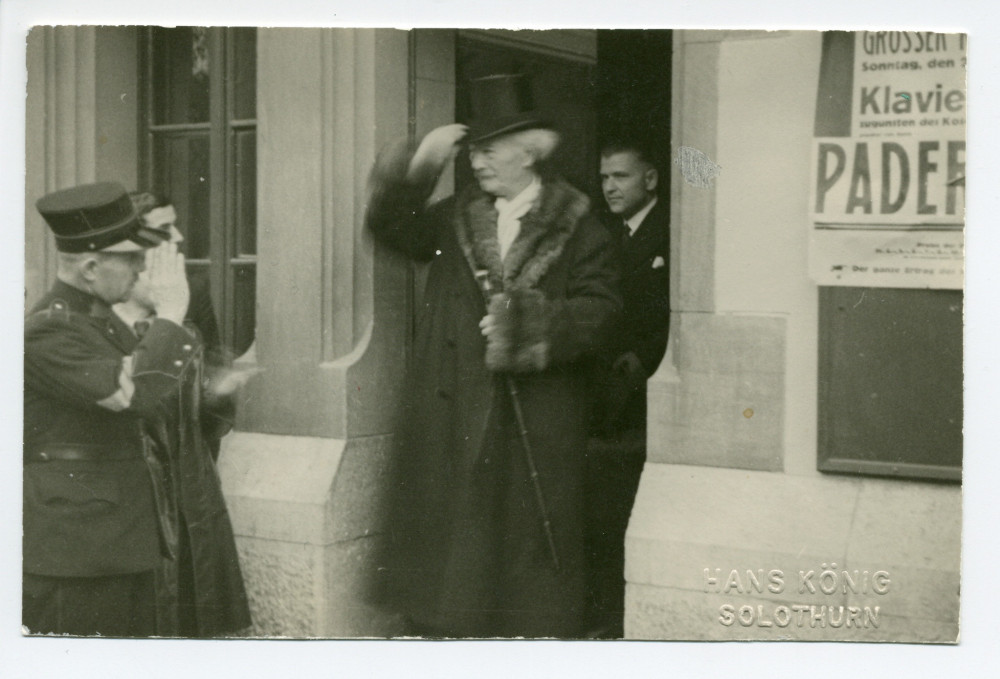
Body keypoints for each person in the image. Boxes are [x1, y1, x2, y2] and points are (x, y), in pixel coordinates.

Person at [365, 74, 622, 638]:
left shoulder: (579, 222)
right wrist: (422, 164)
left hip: (535, 413)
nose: (477, 161)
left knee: (525, 548)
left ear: (528, 153)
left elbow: (602, 312)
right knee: (460, 546)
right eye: (473, 149)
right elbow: (390, 230)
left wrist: (523, 326)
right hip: (456, 404)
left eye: (489, 149)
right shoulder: (456, 215)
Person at [23, 182, 194, 636]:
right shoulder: (48, 328)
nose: (142, 269)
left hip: (114, 539)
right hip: (75, 551)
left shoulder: (97, 320)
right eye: (132, 258)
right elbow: (130, 394)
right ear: (92, 267)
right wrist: (172, 314)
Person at [113, 220, 253, 637]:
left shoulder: (185, 332)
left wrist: (215, 392)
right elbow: (133, 404)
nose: (173, 280)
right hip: (143, 506)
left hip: (192, 495)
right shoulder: (104, 335)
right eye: (160, 267)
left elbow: (206, 422)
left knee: (197, 616)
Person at [584, 141, 671, 637]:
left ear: (651, 179)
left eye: (621, 176)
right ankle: (600, 618)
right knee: (599, 511)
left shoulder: (672, 232)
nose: (610, 187)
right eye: (604, 179)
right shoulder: (604, 235)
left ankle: (616, 622)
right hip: (604, 398)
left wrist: (642, 359)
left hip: (642, 402)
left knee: (624, 510)